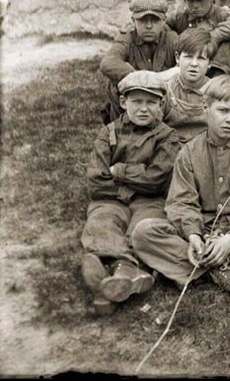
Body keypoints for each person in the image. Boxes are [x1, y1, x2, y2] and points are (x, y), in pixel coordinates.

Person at [132, 76, 230, 301]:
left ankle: (190, 269)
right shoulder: (188, 152)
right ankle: (223, 272)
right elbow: (181, 203)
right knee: (142, 233)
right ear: (206, 109)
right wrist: (194, 236)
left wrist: (229, 240)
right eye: (223, 110)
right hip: (202, 226)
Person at [81, 71, 181, 315]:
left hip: (150, 201)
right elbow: (96, 181)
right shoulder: (108, 134)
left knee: (143, 228)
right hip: (110, 199)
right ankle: (125, 271)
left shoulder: (167, 137)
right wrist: (138, 178)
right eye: (137, 101)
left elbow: (158, 179)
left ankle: (107, 275)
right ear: (124, 102)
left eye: (151, 102)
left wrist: (122, 172)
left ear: (161, 104)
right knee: (101, 222)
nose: (144, 109)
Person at [99, 0, 179, 123]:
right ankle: (121, 127)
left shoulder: (172, 38)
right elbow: (108, 63)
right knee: (113, 82)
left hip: (162, 104)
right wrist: (143, 78)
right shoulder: (127, 39)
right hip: (132, 105)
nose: (148, 26)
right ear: (133, 21)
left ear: (164, 20)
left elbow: (186, 65)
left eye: (154, 20)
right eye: (142, 20)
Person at [161, 28, 213, 143]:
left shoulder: (216, 92)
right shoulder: (166, 89)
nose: (194, 64)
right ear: (177, 58)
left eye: (201, 58)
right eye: (188, 56)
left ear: (209, 63)